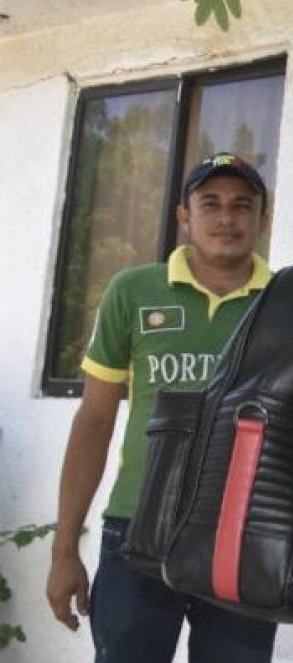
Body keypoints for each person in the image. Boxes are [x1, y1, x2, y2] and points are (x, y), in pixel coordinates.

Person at [45, 153, 277, 663]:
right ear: (184, 216)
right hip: (138, 527)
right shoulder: (134, 290)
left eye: (243, 205)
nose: (226, 218)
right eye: (210, 203)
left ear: (263, 218)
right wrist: (65, 550)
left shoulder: (286, 300)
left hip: (240, 532)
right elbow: (95, 421)